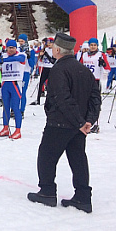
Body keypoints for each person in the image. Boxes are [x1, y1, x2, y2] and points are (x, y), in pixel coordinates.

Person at [27, 33, 100, 214]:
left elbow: (62, 98)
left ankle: (47, 191)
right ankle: (83, 196)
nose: (51, 49)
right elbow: (95, 98)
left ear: (58, 50)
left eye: (53, 47)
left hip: (60, 123)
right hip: (78, 125)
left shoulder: (59, 70)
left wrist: (82, 122)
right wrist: (89, 120)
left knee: (46, 156)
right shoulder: (84, 70)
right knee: (78, 159)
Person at [0, 40, 27, 139]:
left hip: (15, 83)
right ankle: (5, 128)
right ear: (6, 48)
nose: (11, 50)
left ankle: (18, 130)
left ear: (16, 48)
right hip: (5, 83)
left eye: (13, 48)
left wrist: (2, 60)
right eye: (9, 48)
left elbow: (18, 58)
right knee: (5, 107)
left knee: (15, 108)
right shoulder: (3, 55)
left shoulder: (21, 54)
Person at [31, 38, 55, 105]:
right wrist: (41, 55)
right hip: (45, 68)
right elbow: (41, 59)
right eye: (48, 43)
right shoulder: (45, 49)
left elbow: (53, 61)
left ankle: (50, 100)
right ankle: (38, 99)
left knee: (50, 85)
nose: (49, 44)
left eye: (50, 43)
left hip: (51, 68)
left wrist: (46, 54)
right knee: (41, 83)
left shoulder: (54, 50)